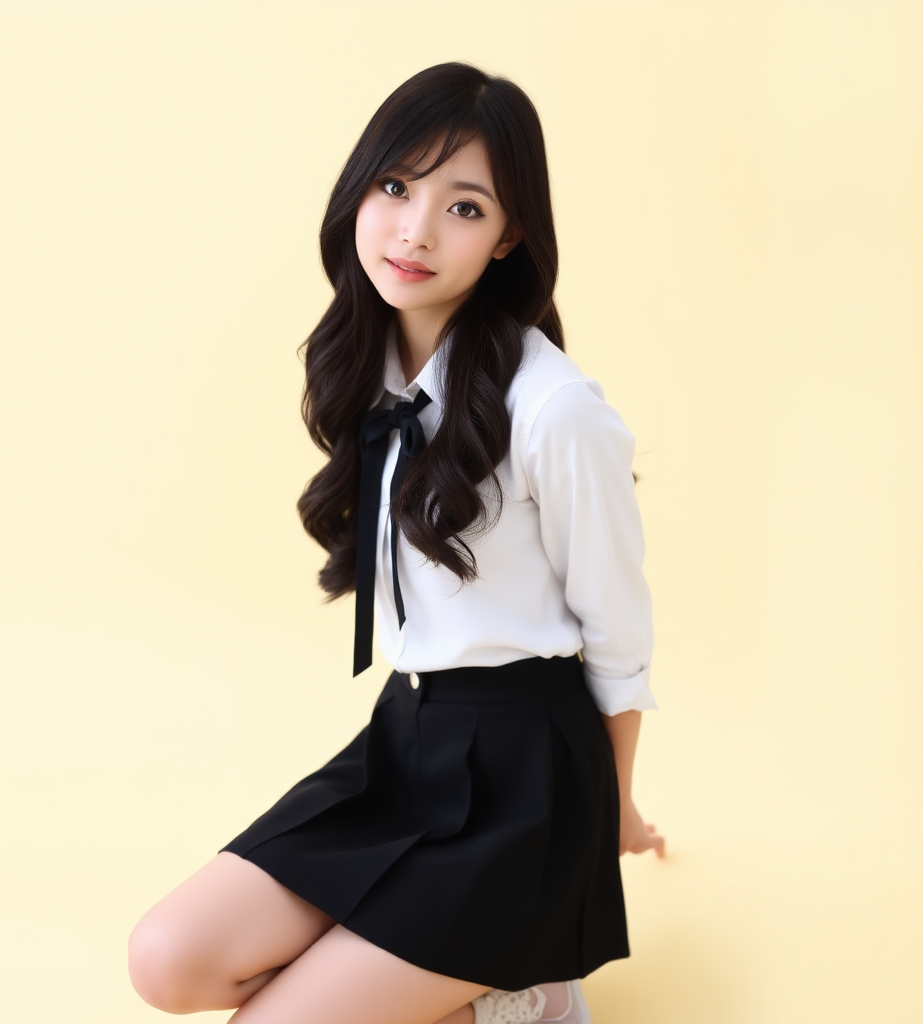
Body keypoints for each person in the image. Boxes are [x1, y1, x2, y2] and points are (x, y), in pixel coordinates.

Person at [128, 61, 665, 1024]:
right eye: (395, 188)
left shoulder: (557, 411)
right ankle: (491, 990)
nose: (414, 231)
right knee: (167, 964)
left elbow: (620, 641)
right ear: (358, 193)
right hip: (406, 740)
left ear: (509, 239)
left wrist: (612, 813)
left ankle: (521, 981)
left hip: (527, 778)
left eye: (464, 208)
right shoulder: (371, 368)